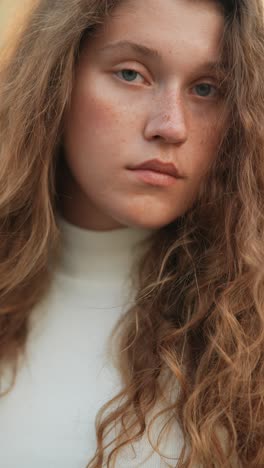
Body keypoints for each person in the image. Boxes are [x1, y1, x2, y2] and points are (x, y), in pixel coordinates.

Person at [0, 0, 263, 466]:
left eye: (207, 88)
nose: (171, 126)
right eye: (131, 74)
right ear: (55, 82)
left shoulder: (250, 324)